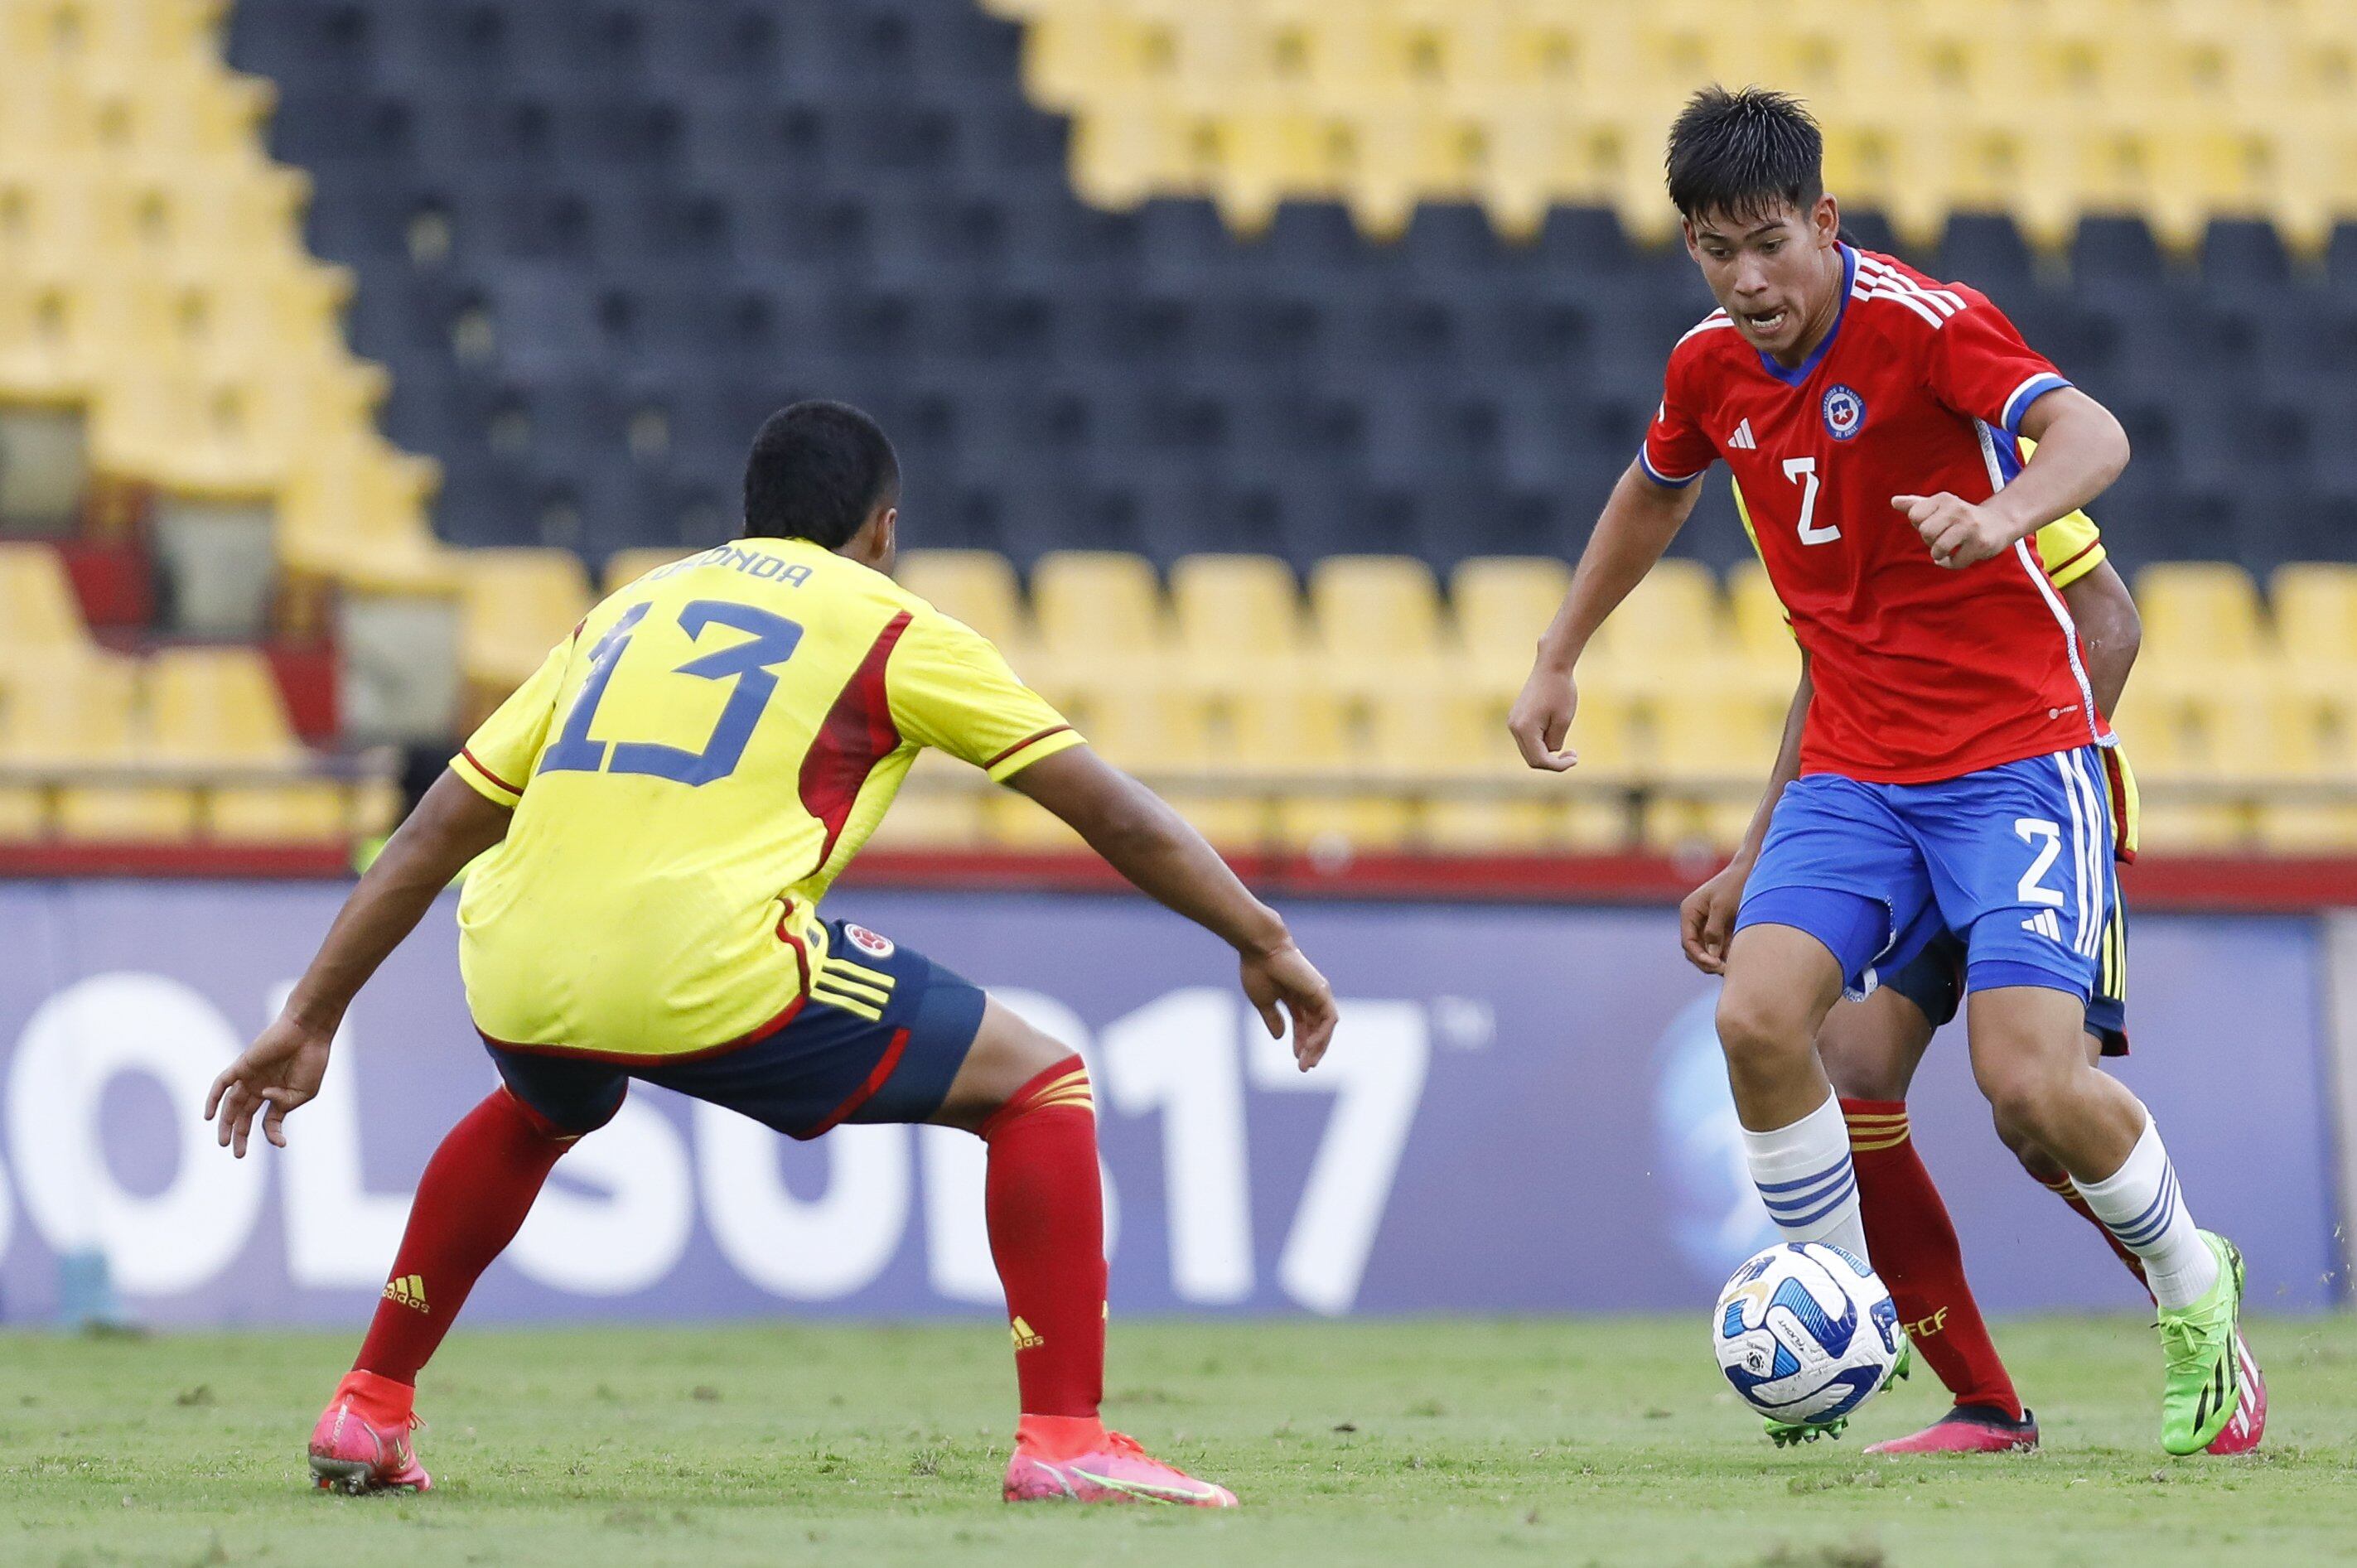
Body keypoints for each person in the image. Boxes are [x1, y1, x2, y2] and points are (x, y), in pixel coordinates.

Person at [205, 400, 1337, 1507]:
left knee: (548, 1104)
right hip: (704, 964)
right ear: (884, 528)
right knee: (1040, 1081)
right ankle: (1065, 1437)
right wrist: (1264, 936)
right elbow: (1115, 812)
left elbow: (436, 829)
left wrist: (312, 1015)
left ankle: (370, 1401)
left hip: (513, 961)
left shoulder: (628, 610)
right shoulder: (892, 625)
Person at [1510, 86, 2245, 1455]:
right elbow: (1739, 571)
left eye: (1770, 244)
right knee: (1771, 1025)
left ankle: (2198, 1289)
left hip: (2018, 771)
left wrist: (2002, 511)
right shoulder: (1712, 372)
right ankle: (1876, 1332)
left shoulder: (1929, 338)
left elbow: (2095, 455)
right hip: (1857, 780)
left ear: (1824, 223)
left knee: (2029, 1095)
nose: (1746, 278)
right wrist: (1563, 658)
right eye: (1716, 251)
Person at [1679, 472, 2264, 1455]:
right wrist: (1754, 849)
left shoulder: (1968, 447)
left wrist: (2014, 768)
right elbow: (1830, 673)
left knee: (2034, 1116)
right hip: (1889, 811)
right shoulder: (1784, 474)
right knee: (1852, 1076)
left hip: (2024, 805)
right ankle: (1985, 1407)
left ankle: (2198, 1303)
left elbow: (2108, 622)